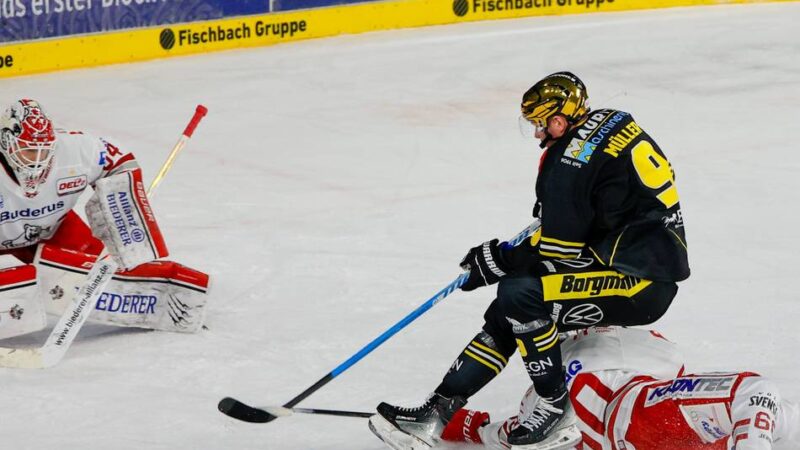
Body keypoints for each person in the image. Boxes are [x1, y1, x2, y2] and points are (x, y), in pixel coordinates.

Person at [369, 72, 690, 448]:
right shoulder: (611, 120)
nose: (538, 133)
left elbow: (558, 247)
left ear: (560, 121)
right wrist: (506, 258)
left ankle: (555, 409)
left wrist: (498, 260)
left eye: (541, 123)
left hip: (641, 282)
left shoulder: (567, 165)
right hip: (630, 258)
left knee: (520, 295)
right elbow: (588, 214)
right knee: (508, 308)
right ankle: (436, 413)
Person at [0, 99, 209, 341]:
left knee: (109, 273)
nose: (38, 160)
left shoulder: (76, 150)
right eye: (28, 150)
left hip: (52, 230)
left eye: (44, 151)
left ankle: (168, 306)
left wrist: (124, 215)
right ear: (6, 141)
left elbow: (119, 160)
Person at [435, 327, 800, 450]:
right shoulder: (654, 405)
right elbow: (756, 394)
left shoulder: (648, 405)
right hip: (635, 408)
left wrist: (465, 425)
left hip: (632, 411)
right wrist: (466, 425)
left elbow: (757, 395)